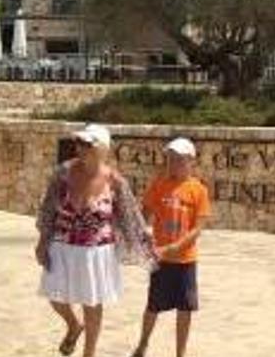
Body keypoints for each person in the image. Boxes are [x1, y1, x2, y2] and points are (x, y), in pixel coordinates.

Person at [36, 124, 158, 357]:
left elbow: (131, 216)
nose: (80, 148)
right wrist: (42, 241)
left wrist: (146, 243)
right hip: (62, 243)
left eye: (87, 144)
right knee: (53, 295)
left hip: (96, 250)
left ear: (102, 149)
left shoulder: (114, 180)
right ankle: (73, 325)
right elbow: (48, 208)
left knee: (92, 302)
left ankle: (88, 353)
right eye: (79, 143)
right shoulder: (63, 172)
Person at [132, 137, 212, 357]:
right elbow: (144, 212)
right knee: (153, 305)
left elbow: (198, 228)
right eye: (170, 158)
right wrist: (144, 232)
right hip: (160, 259)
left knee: (185, 309)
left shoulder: (198, 190)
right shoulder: (159, 184)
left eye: (179, 159)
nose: (173, 163)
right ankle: (143, 344)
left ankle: (181, 352)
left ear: (190, 161)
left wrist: (175, 247)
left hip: (186, 260)